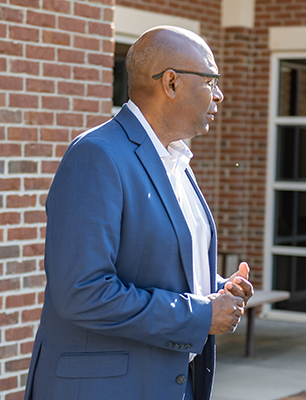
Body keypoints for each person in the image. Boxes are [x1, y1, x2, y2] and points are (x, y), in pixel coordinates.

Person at [24, 26, 253, 400]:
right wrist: (199, 315)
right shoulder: (97, 155)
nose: (219, 94)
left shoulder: (175, 159)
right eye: (211, 79)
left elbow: (151, 262)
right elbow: (82, 292)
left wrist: (214, 289)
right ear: (172, 83)